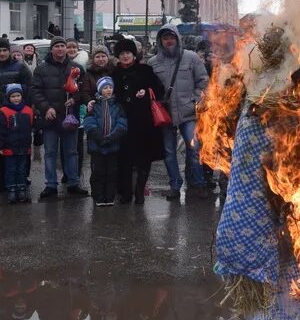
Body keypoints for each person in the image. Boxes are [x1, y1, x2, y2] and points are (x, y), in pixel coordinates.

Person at [148, 24, 210, 199]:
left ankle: (197, 184)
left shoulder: (190, 57)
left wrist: (195, 99)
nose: (169, 41)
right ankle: (175, 185)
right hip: (165, 115)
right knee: (169, 152)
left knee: (194, 148)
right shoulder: (153, 62)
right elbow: (150, 88)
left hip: (188, 112)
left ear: (177, 38)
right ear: (160, 40)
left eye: (172, 37)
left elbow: (203, 81)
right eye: (165, 38)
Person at [31, 37, 88, 200]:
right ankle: (50, 185)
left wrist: (75, 99)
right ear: (52, 49)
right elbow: (35, 91)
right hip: (50, 118)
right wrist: (46, 108)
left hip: (70, 117)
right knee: (50, 152)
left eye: (63, 46)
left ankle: (73, 183)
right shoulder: (41, 69)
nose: (61, 49)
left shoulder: (76, 68)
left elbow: (83, 89)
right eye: (57, 46)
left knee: (71, 152)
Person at [110, 38, 165, 204]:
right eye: (122, 54)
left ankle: (139, 190)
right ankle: (125, 192)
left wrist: (147, 92)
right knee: (124, 159)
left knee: (143, 158)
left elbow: (159, 90)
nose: (125, 56)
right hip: (122, 122)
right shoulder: (114, 74)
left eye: (128, 53)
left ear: (134, 55)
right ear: (117, 57)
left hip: (143, 122)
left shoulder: (145, 70)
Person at [0, 38, 32, 193]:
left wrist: (26, 109)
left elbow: (29, 88)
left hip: (18, 115)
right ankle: (2, 181)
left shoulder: (21, 67)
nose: (2, 53)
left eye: (5, 50)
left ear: (9, 51)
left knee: (21, 147)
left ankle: (22, 178)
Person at [83, 76, 128, 207]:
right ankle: (98, 196)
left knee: (111, 172)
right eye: (105, 87)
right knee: (98, 172)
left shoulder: (118, 105)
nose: (108, 90)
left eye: (110, 87)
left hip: (113, 145)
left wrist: (111, 137)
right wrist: (100, 137)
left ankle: (109, 196)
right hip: (97, 146)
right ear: (99, 89)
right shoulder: (94, 105)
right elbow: (89, 123)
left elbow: (122, 124)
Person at [0, 83, 34, 204]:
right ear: (8, 97)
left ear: (22, 96)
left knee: (22, 170)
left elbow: (32, 127)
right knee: (10, 170)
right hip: (9, 148)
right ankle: (11, 190)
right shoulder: (3, 112)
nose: (16, 98)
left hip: (24, 148)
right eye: (13, 96)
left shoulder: (28, 110)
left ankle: (21, 189)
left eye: (18, 95)